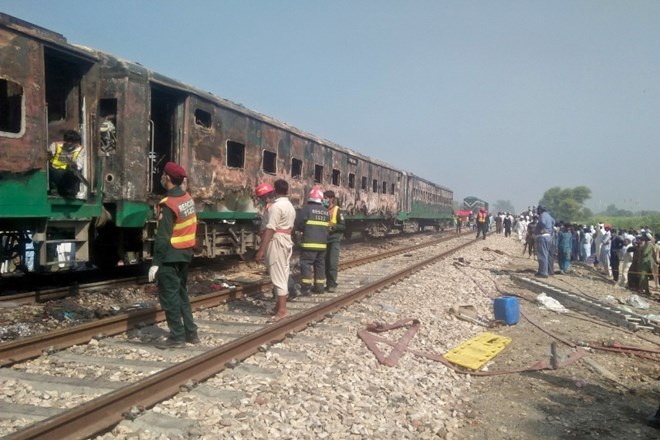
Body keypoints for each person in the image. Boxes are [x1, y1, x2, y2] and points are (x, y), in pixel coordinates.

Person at [148, 161, 199, 348]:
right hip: (185, 254)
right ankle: (191, 333)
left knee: (169, 297)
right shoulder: (187, 199)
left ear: (167, 178)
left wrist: (155, 262)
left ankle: (177, 336)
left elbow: (162, 237)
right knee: (182, 294)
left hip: (170, 256)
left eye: (163, 175)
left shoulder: (168, 204)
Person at [255, 179, 296, 321]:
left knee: (277, 275)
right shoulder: (290, 206)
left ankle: (282, 310)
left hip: (277, 242)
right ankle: (278, 306)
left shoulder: (276, 207)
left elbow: (271, 229)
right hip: (286, 241)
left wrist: (261, 250)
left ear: (275, 191)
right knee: (283, 273)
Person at [295, 186, 330, 295]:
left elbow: (299, 225)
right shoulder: (325, 211)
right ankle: (319, 288)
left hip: (309, 244)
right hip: (322, 244)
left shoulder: (306, 209)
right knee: (320, 265)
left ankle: (306, 288)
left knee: (306, 264)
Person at [48, 129, 87, 199]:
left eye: (72, 141)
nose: (69, 143)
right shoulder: (55, 145)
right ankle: (54, 190)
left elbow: (79, 165)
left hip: (69, 172)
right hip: (54, 170)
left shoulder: (80, 150)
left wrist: (74, 166)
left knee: (73, 174)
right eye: (67, 140)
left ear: (76, 142)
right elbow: (48, 156)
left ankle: (70, 192)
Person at [324, 190, 345, 293]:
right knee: (324, 263)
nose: (324, 200)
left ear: (331, 199)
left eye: (326, 198)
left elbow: (343, 226)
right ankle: (324, 284)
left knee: (332, 263)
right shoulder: (322, 209)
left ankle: (332, 284)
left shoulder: (338, 210)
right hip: (323, 239)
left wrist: (334, 226)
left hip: (334, 240)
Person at [534, 204, 555, 277]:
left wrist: (543, 229)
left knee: (542, 255)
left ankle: (543, 272)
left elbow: (542, 222)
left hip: (543, 237)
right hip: (549, 236)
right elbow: (554, 222)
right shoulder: (549, 215)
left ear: (540, 210)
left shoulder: (542, 215)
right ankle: (547, 270)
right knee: (547, 255)